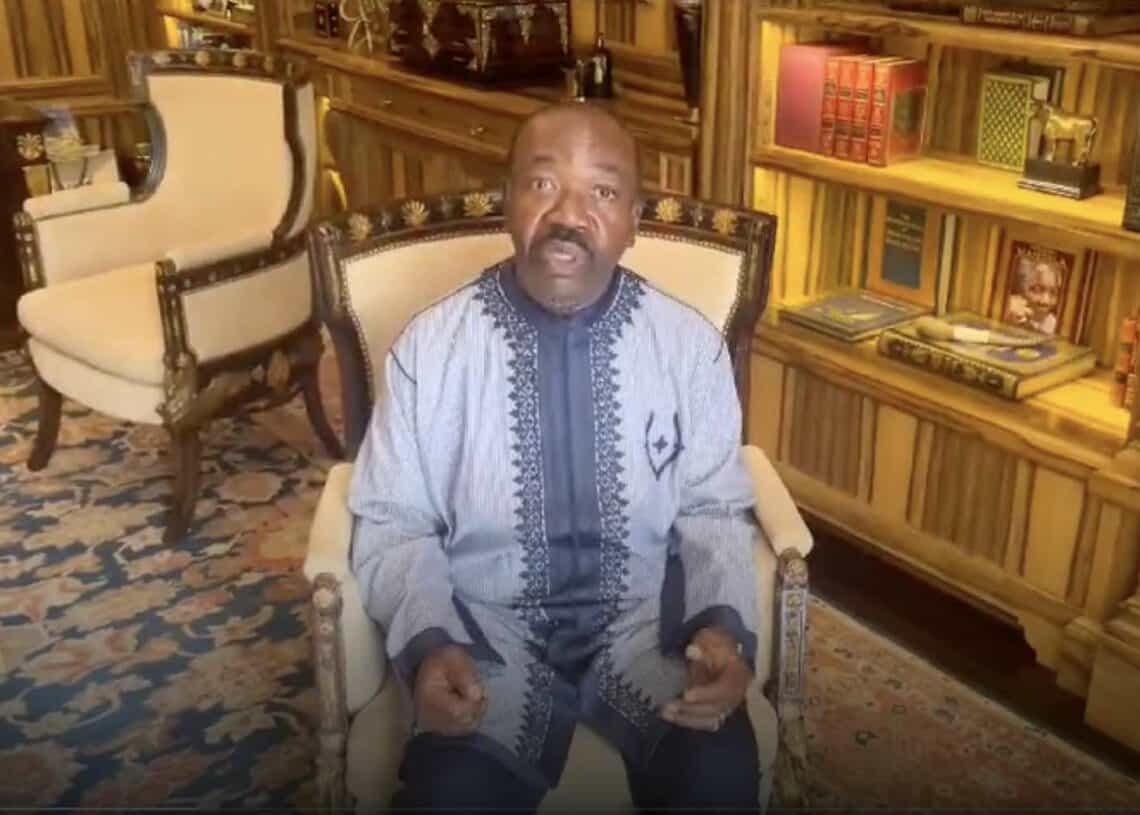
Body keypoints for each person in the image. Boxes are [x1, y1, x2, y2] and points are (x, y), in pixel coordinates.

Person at [348, 101, 763, 812]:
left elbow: (714, 510)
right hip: (487, 633)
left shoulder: (689, 349)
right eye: (543, 184)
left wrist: (722, 630)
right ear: (506, 200)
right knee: (449, 796)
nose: (569, 215)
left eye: (602, 191)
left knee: (717, 773)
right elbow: (394, 521)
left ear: (634, 220)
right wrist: (430, 646)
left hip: (646, 629)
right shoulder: (431, 350)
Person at [1004, 250, 1064, 335]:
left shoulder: (1055, 326)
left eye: (1053, 293)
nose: (1045, 301)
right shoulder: (1004, 311)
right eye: (1037, 290)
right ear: (1020, 290)